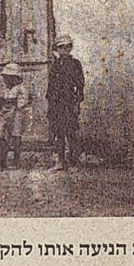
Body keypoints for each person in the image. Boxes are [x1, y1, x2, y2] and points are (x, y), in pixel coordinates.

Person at [47, 34, 84, 171]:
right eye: (61, 47)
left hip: (69, 102)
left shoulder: (75, 64)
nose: (64, 50)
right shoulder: (55, 65)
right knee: (58, 133)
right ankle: (59, 162)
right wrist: (51, 103)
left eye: (67, 47)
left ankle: (74, 162)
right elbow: (51, 86)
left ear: (71, 48)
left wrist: (77, 103)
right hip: (57, 103)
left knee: (71, 133)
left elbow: (80, 85)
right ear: (57, 49)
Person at [0, 63, 31, 169]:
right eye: (6, 77)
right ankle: (3, 160)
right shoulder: (6, 89)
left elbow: (23, 101)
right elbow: (1, 101)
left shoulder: (20, 89)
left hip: (17, 114)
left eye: (9, 78)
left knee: (16, 136)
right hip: (6, 115)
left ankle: (16, 160)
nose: (7, 80)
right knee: (3, 137)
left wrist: (14, 103)